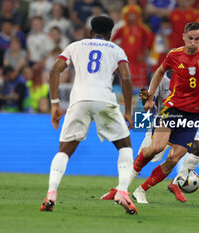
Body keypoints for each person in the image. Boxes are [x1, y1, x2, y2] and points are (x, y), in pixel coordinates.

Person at [102, 22, 199, 204]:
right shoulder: (174, 55)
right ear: (184, 36)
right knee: (156, 148)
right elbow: (159, 71)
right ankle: (121, 188)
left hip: (192, 117)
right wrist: (150, 97)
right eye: (190, 38)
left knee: (174, 159)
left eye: (197, 39)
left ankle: (141, 190)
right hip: (172, 111)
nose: (193, 42)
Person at [40, 16, 138, 215]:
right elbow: (126, 78)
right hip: (104, 100)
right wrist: (128, 111)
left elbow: (54, 70)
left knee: (64, 151)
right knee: (124, 146)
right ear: (110, 34)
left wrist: (55, 103)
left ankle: (51, 193)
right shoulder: (116, 50)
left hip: (79, 101)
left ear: (91, 31)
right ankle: (122, 191)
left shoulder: (76, 46)